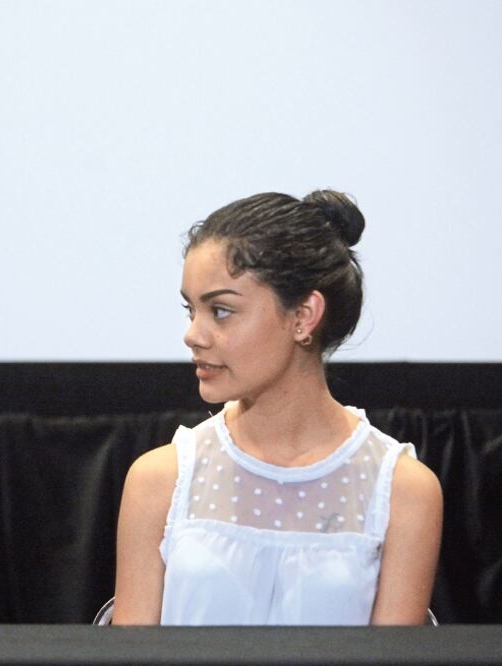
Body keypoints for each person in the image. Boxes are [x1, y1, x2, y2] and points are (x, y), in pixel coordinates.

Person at [113, 190, 442, 625]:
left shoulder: (402, 490)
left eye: (222, 310)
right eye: (191, 310)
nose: (193, 334)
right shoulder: (160, 480)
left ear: (304, 316)